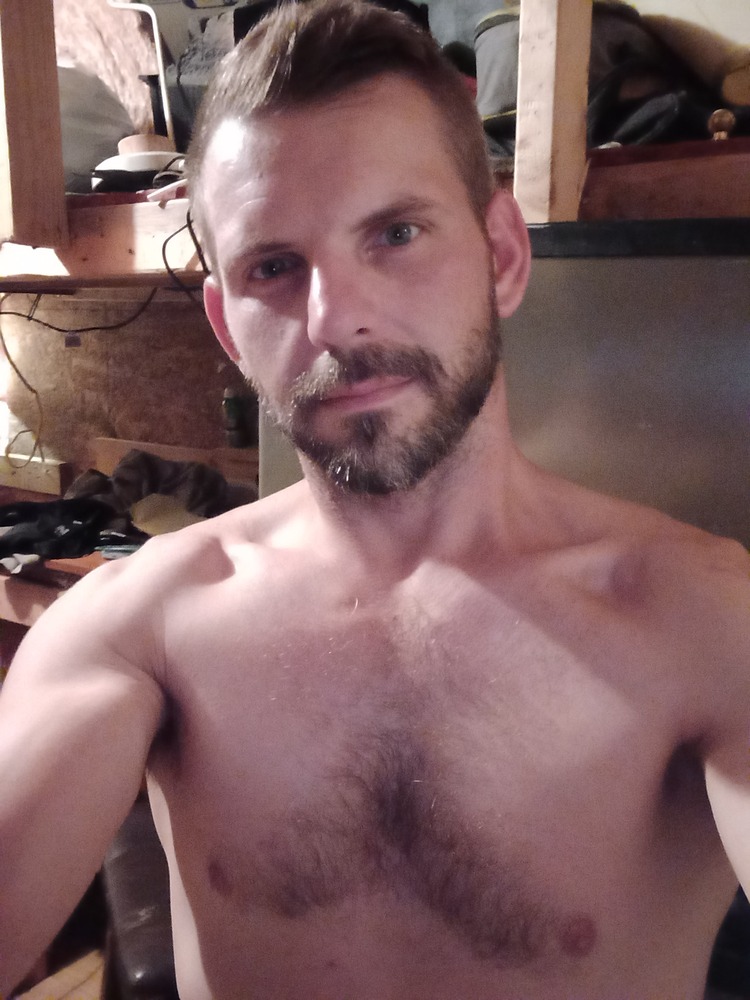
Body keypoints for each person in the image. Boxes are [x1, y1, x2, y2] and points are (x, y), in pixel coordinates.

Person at [1, 1, 749, 997]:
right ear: (225, 325)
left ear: (502, 256)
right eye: (274, 266)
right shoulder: (144, 629)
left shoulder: (704, 622)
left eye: (395, 233)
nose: (336, 317)